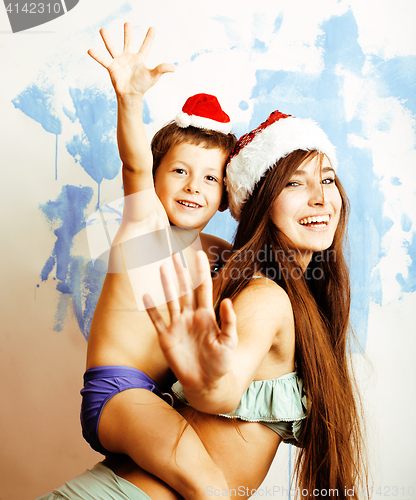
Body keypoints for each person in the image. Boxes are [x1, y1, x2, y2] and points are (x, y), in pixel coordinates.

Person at [145, 110, 367, 499]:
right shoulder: (266, 297)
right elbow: (223, 391)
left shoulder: (302, 296)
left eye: (327, 179)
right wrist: (207, 382)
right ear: (261, 204)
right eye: (296, 183)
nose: (320, 197)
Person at [80, 23, 238, 499]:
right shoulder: (145, 225)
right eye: (181, 171)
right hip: (118, 393)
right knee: (209, 486)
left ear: (226, 196)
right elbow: (133, 161)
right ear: (156, 178)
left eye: (210, 179)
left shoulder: (215, 252)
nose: (194, 186)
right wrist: (130, 99)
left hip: (166, 395)